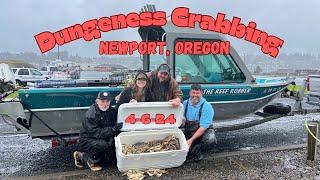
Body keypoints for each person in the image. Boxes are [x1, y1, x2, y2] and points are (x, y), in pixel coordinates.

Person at [73, 91, 123, 171]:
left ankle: (97, 157)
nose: (105, 104)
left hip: (103, 135)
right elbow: (96, 133)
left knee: (111, 160)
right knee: (103, 145)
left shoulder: (112, 111)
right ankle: (86, 158)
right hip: (88, 139)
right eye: (102, 101)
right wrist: (113, 130)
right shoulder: (91, 114)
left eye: (107, 101)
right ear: (97, 101)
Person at [182, 84, 214, 162]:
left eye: (197, 93)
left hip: (201, 131)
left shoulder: (207, 106)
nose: (195, 95)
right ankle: (191, 148)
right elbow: (182, 120)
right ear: (189, 93)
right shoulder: (185, 103)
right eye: (193, 93)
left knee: (210, 138)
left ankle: (198, 150)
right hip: (189, 130)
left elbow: (203, 128)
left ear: (201, 94)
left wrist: (191, 140)